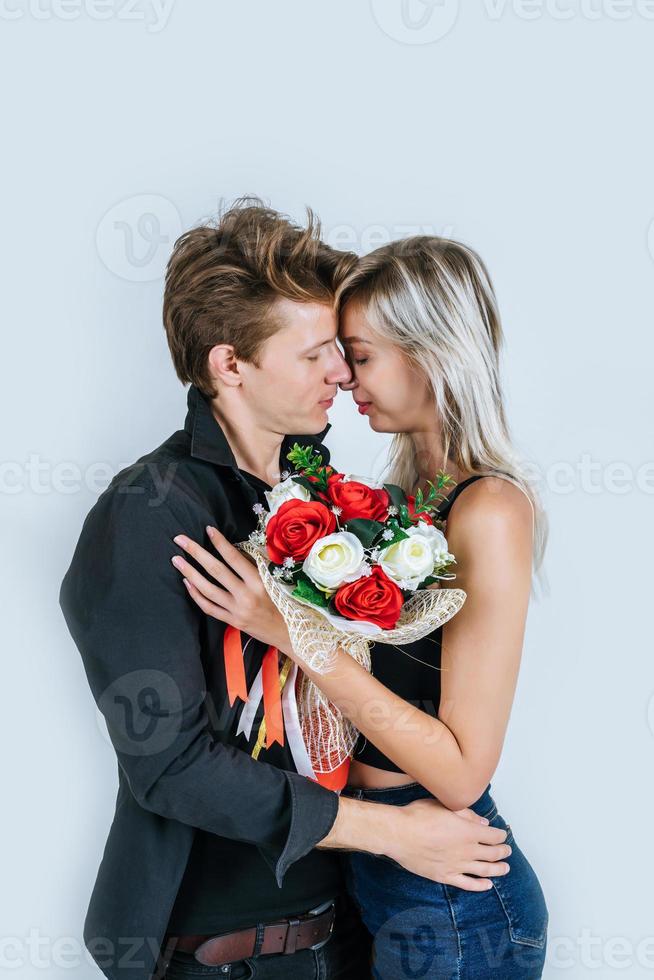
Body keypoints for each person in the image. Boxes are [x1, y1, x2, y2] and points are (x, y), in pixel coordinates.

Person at [59, 202, 512, 980]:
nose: (341, 373)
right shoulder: (149, 512)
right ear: (230, 365)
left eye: (341, 351)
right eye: (314, 357)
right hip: (221, 957)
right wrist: (392, 833)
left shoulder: (329, 497)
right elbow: (169, 767)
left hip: (353, 932)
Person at [175, 233, 549, 978]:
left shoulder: (490, 509)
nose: (344, 377)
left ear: (432, 351)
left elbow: (463, 774)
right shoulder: (409, 505)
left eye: (362, 354)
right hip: (386, 870)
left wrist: (291, 633)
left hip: (451, 897)